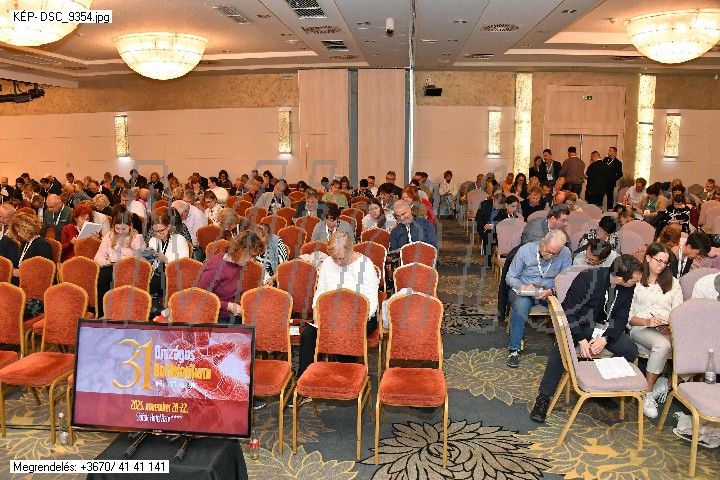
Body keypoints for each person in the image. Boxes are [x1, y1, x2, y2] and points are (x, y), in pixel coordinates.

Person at [529, 254, 643, 422]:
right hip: (579, 325)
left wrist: (605, 338)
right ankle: (544, 397)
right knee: (561, 351)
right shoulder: (588, 279)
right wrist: (581, 339)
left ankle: (600, 386)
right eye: (634, 281)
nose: (636, 283)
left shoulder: (628, 287)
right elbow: (568, 312)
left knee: (630, 350)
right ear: (620, 278)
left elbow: (621, 317)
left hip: (604, 329)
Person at [297, 231, 379, 378]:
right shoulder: (328, 263)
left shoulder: (365, 264)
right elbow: (320, 292)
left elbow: (372, 302)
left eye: (342, 258)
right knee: (308, 335)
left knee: (344, 337)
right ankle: (304, 380)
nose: (339, 263)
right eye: (335, 258)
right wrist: (316, 313)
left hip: (361, 317)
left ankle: (345, 380)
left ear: (350, 250)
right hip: (331, 315)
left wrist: (352, 320)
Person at [627, 242, 683, 418]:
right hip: (641, 326)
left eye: (665, 262)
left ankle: (665, 384)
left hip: (667, 328)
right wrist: (647, 321)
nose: (662, 265)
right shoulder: (636, 280)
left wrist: (670, 327)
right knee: (663, 345)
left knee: (697, 349)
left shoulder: (673, 282)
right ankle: (648, 392)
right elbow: (627, 316)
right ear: (648, 258)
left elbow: (678, 312)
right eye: (659, 261)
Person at [506, 229, 572, 367]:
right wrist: (522, 287)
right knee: (521, 306)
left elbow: (566, 281)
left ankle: (566, 349)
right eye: (547, 251)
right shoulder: (526, 250)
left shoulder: (565, 253)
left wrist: (552, 291)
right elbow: (510, 277)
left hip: (549, 291)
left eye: (554, 254)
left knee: (568, 306)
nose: (549, 256)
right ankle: (514, 349)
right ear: (542, 241)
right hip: (525, 290)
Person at [197, 230, 266, 323]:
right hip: (214, 316)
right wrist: (228, 306)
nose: (252, 260)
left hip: (229, 313)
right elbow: (200, 297)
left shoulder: (239, 263)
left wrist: (251, 299)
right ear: (240, 250)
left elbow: (232, 290)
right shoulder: (216, 267)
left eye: (254, 257)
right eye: (251, 256)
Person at [94, 212, 146, 315]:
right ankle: (103, 313)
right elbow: (98, 256)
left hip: (127, 269)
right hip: (109, 266)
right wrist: (106, 261)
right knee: (100, 278)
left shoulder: (137, 238)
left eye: (124, 229)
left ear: (130, 227)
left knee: (105, 278)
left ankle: (114, 312)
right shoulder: (109, 236)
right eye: (117, 229)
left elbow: (141, 260)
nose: (120, 232)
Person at [147, 212, 190, 298]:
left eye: (161, 231)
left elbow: (184, 263)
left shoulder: (179, 239)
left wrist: (166, 259)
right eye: (155, 231)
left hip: (174, 274)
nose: (158, 234)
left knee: (153, 285)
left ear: (168, 227)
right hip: (156, 273)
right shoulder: (153, 240)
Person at [9, 213, 53, 283]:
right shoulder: (25, 242)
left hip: (34, 282)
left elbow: (44, 270)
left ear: (28, 228)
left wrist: (22, 273)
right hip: (21, 280)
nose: (19, 234)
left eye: (20, 231)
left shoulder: (42, 245)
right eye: (17, 232)